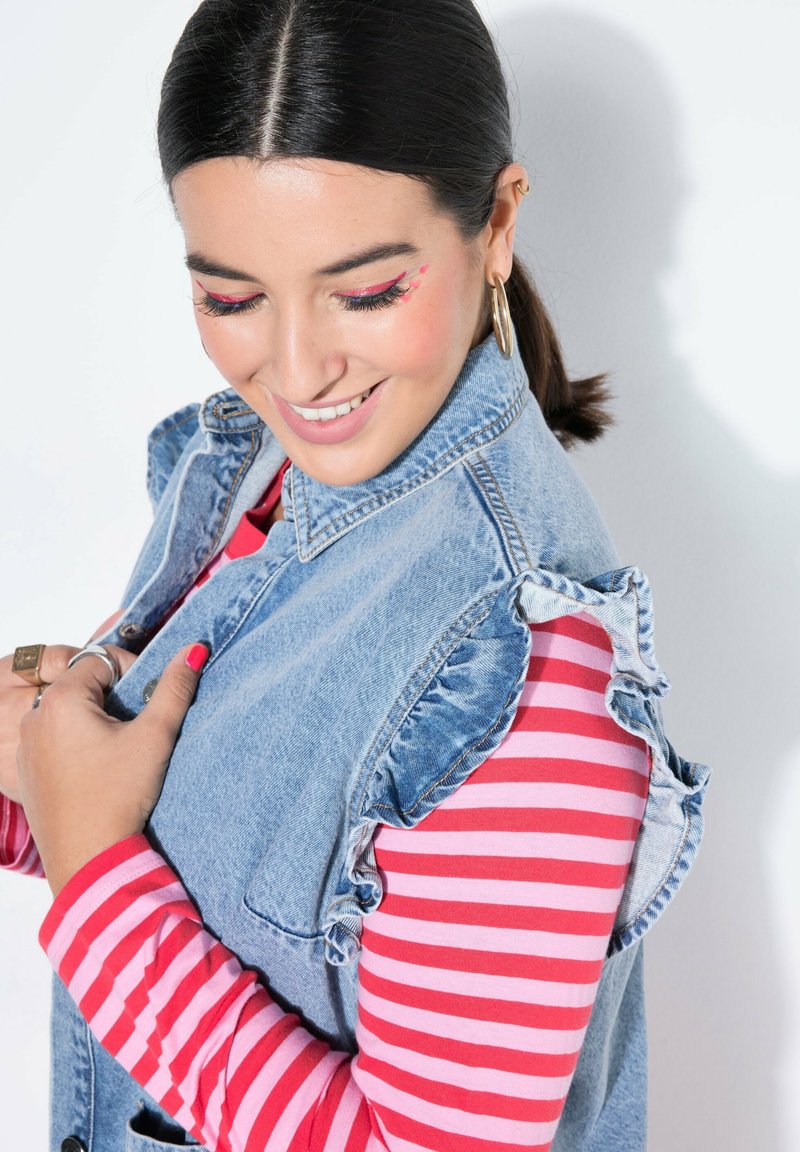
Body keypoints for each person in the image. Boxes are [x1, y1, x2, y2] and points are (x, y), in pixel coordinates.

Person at [1, 2, 710, 1150]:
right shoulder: (258, 473)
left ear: (493, 224)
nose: (295, 370)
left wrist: (93, 871)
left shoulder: (519, 674)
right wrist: (45, 776)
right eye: (231, 296)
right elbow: (230, 876)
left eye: (367, 292)